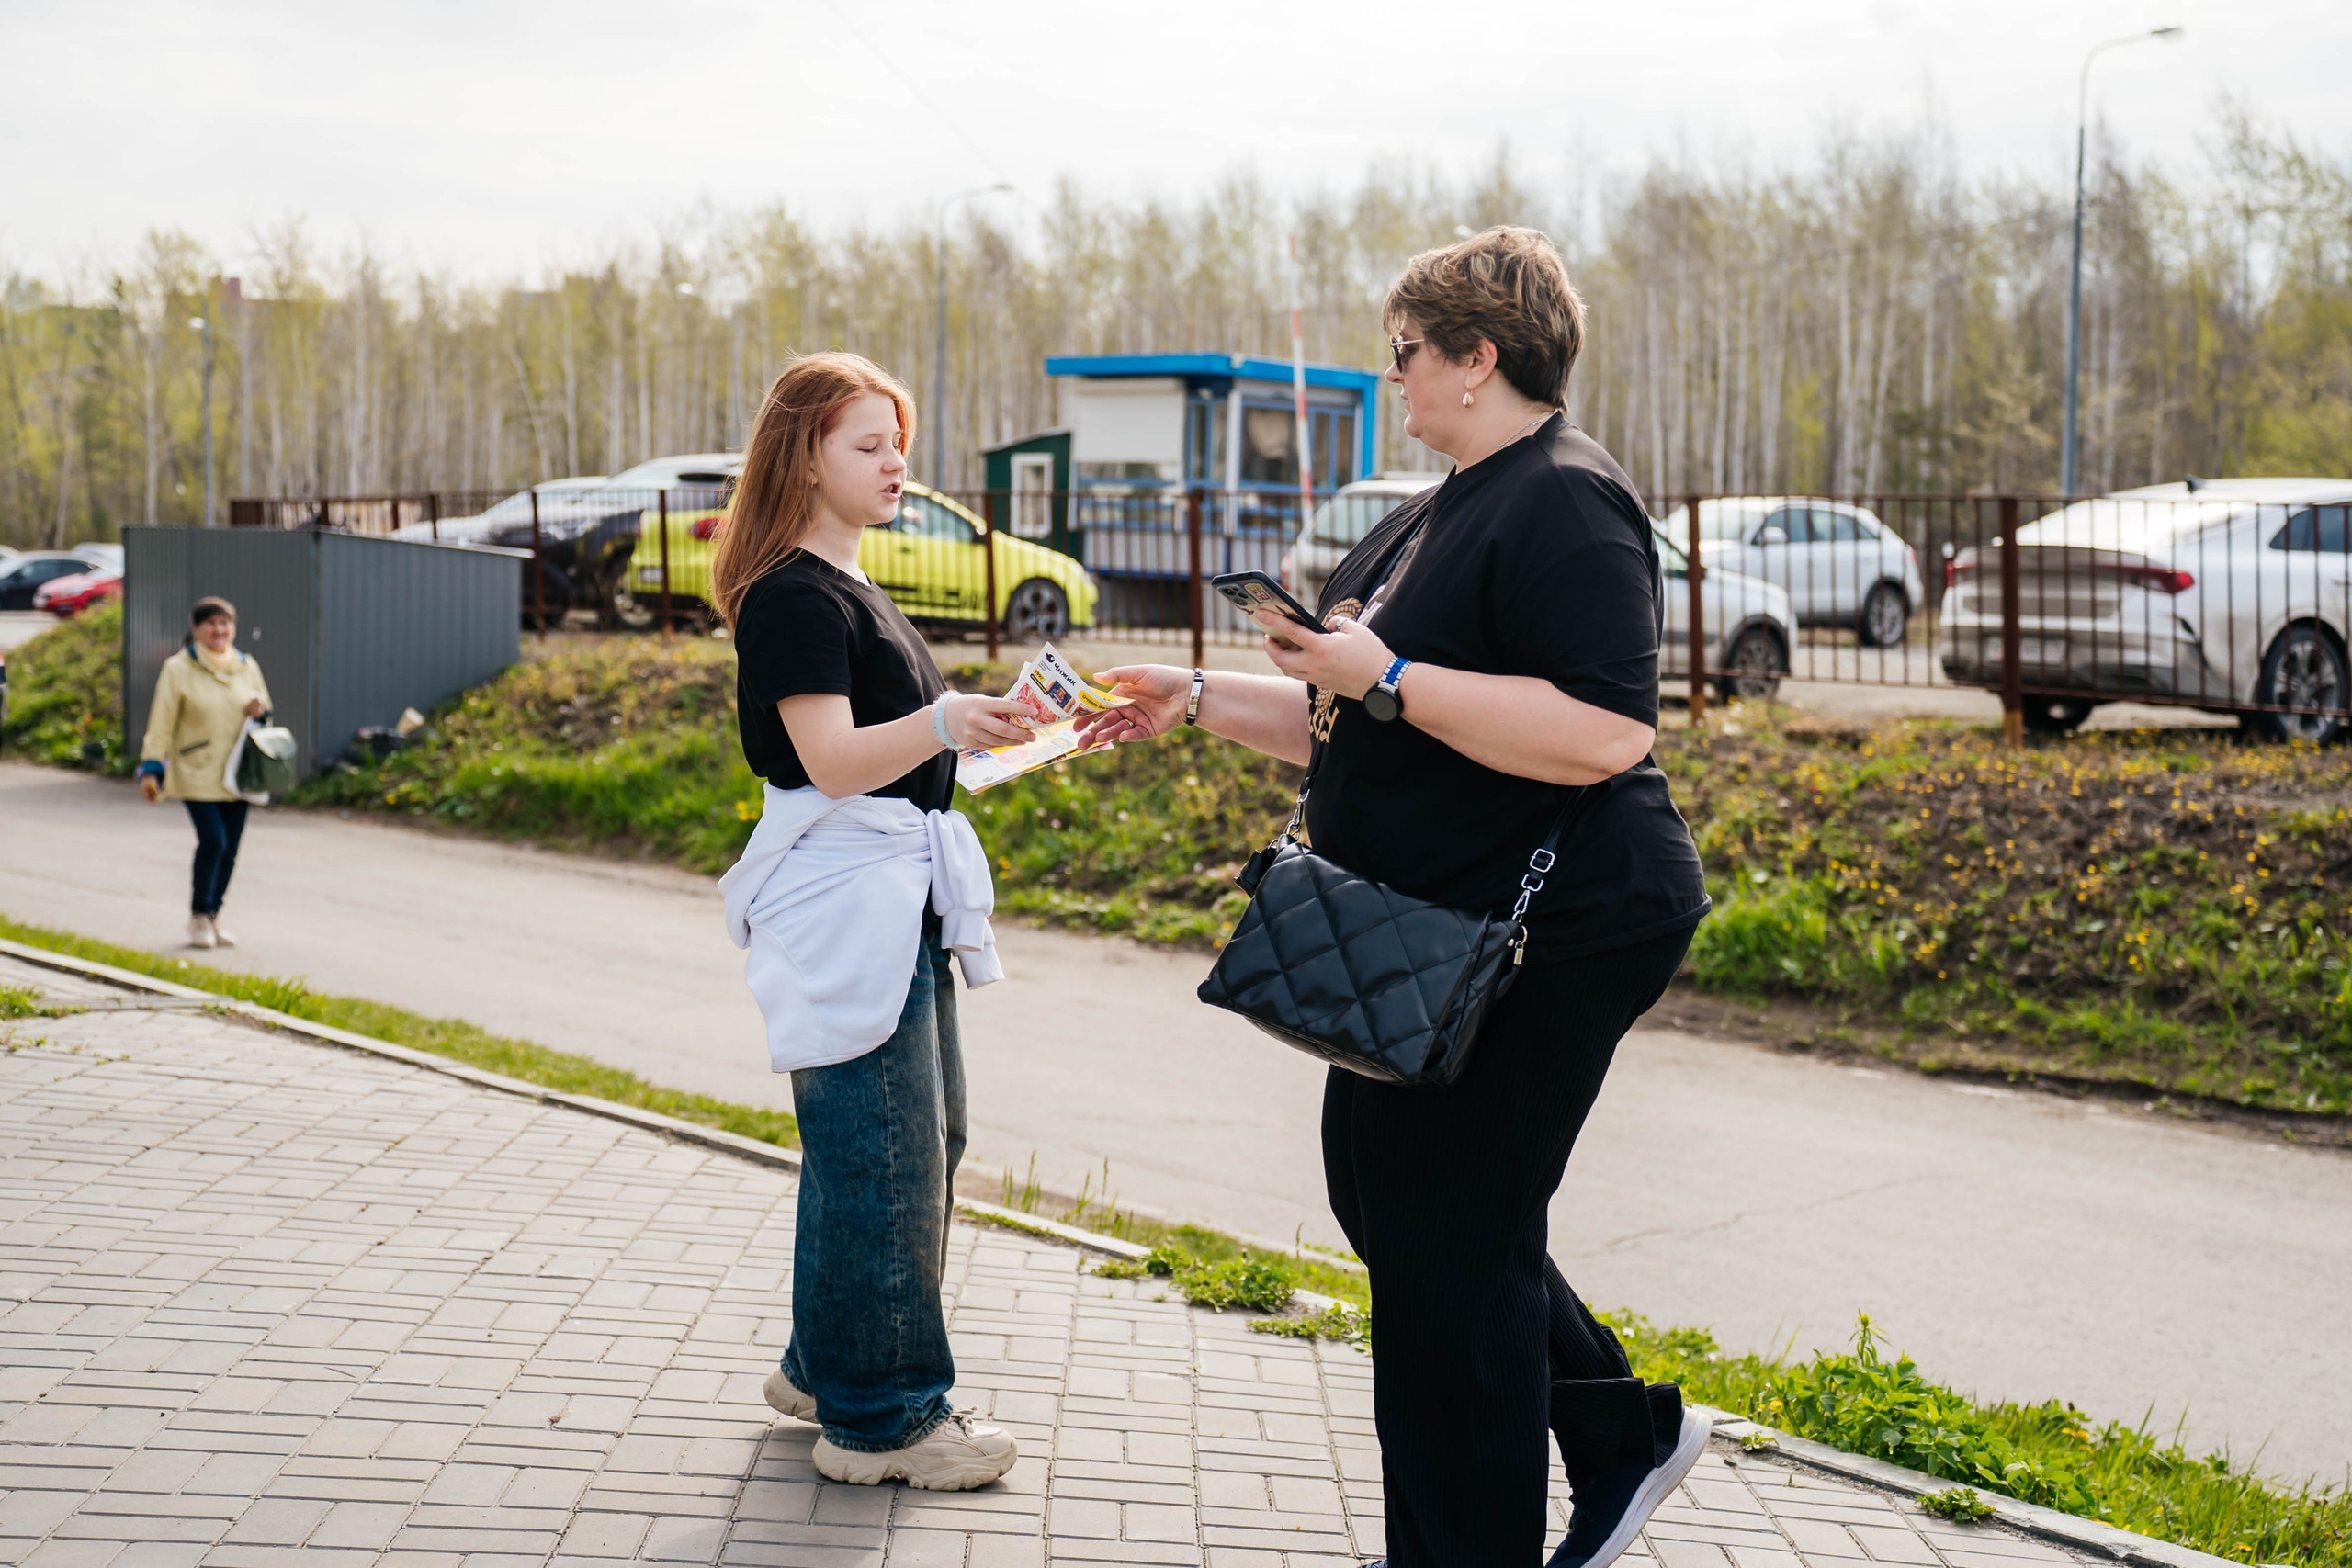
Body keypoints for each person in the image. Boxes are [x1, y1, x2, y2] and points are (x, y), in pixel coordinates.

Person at [1077, 228, 1713, 1568]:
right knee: (1396, 1204)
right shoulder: (1442, 503)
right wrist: (1188, 695)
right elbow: (1350, 716)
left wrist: (1388, 678)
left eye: (1409, 352)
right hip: (1437, 915)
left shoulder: (1569, 500)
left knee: (1451, 1247)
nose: (1397, 374)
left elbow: (1603, 730)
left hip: (1561, 923)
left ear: (1481, 357)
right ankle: (1613, 1433)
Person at [709, 351, 1037, 1491]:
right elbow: (835, 762)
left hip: (889, 891)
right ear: (805, 456)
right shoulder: (795, 594)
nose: (898, 462)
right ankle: (885, 1418)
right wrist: (947, 719)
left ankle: (823, 1367)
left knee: (907, 1142)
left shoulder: (845, 585)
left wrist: (990, 731)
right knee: (883, 1152)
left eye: (899, 440)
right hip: (849, 897)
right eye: (869, 444)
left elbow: (893, 757)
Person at [138, 596, 270, 951]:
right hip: (196, 770)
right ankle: (198, 916)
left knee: (231, 850)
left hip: (239, 773)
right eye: (211, 623)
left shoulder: (246, 665)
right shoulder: (178, 668)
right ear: (196, 629)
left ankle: (213, 915)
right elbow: (161, 721)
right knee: (214, 841)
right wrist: (152, 767)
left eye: (225, 623)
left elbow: (265, 715)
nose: (219, 630)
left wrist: (259, 712)